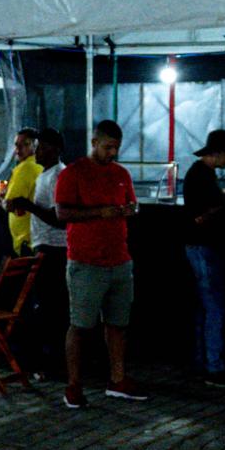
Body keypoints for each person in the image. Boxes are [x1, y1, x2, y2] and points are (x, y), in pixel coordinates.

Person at [56, 119, 146, 407]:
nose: (113, 153)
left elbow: (133, 204)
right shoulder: (73, 173)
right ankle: (73, 385)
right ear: (94, 143)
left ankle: (117, 379)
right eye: (108, 147)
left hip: (119, 259)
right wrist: (99, 213)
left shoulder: (121, 174)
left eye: (116, 148)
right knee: (80, 325)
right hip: (86, 261)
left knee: (118, 324)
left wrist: (130, 209)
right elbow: (62, 213)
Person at [180, 129, 225, 388]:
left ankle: (202, 362)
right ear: (217, 153)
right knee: (214, 307)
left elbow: (214, 205)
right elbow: (203, 215)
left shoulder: (203, 173)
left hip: (201, 246)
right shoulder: (200, 175)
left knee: (205, 307)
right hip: (203, 246)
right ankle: (214, 367)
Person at [8, 128, 69, 379]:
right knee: (45, 306)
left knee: (51, 308)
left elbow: (59, 218)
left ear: (55, 149)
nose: (37, 152)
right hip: (43, 245)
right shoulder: (45, 174)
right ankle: (47, 360)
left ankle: (53, 363)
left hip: (54, 249)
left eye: (42, 148)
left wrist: (28, 205)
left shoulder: (58, 176)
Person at [0, 129, 42, 251]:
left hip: (26, 240)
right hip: (38, 237)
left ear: (36, 145)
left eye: (25, 144)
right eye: (17, 145)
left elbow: (10, 204)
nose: (19, 149)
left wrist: (1, 200)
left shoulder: (25, 168)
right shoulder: (41, 165)